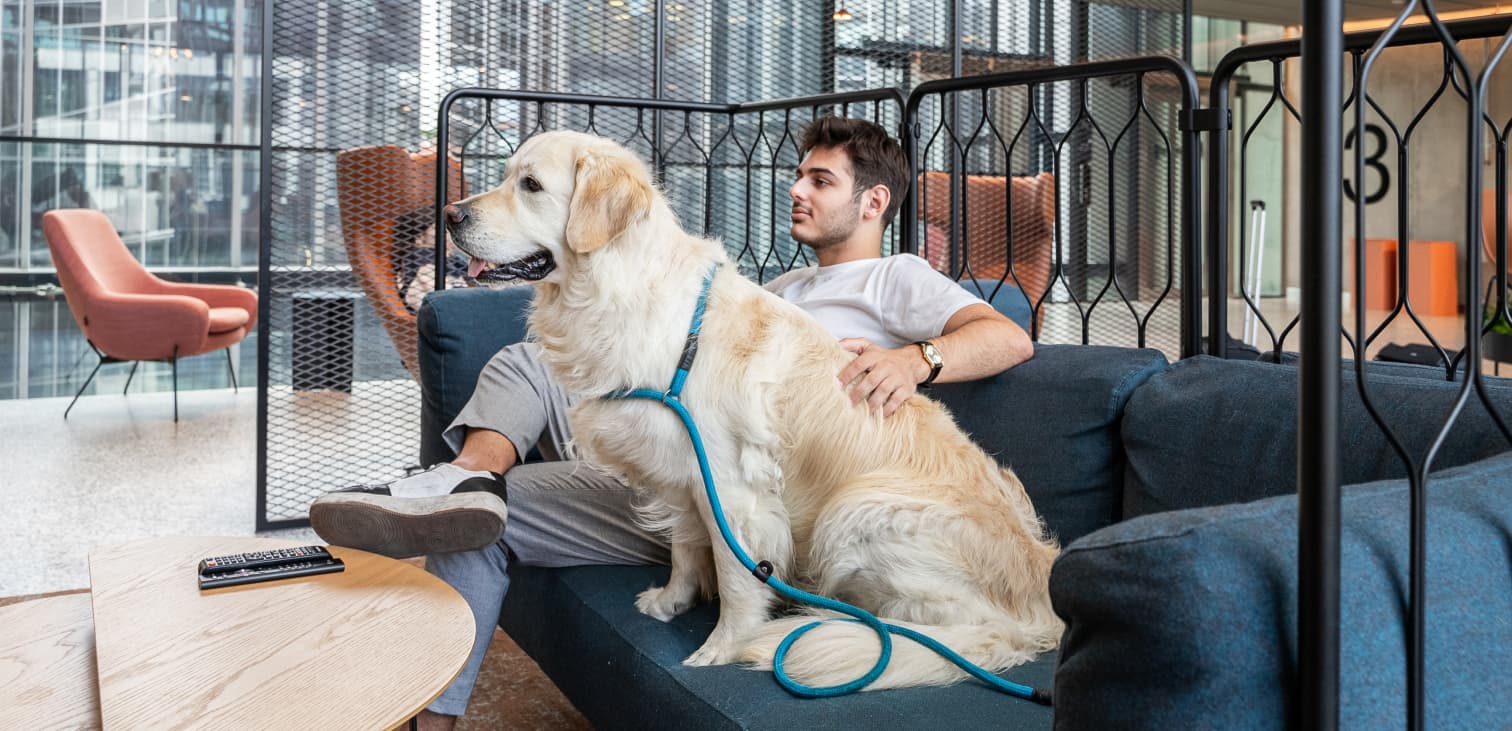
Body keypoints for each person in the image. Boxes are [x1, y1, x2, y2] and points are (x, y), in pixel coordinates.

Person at [310, 117, 1034, 730]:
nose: (797, 189)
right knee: (507, 423)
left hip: (769, 491)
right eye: (799, 175)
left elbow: (1009, 336)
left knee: (563, 405)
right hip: (675, 469)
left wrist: (916, 360)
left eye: (821, 180)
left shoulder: (895, 278)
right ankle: (459, 487)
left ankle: (459, 488)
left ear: (875, 201)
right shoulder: (779, 289)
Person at [392, 206, 470, 314]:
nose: (448, 235)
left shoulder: (449, 258)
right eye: (440, 230)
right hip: (443, 314)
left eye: (450, 229)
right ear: (420, 236)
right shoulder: (421, 256)